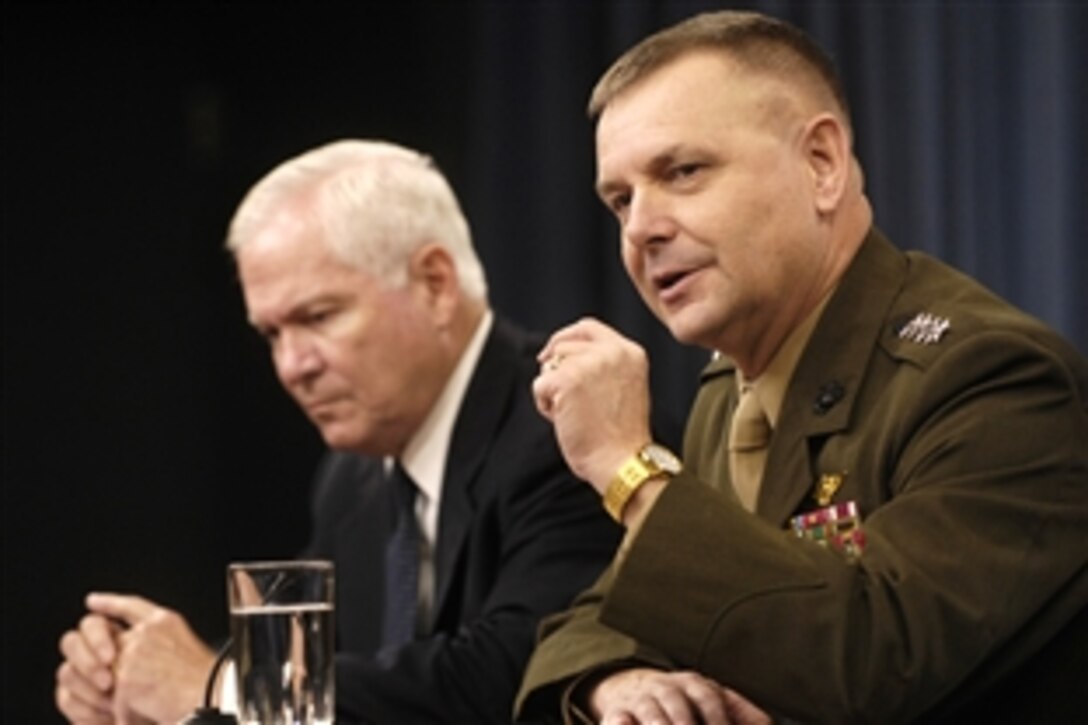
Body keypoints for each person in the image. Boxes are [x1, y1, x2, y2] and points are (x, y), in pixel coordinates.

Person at [516, 10, 1088, 725]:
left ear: (821, 164)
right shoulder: (729, 390)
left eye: (683, 171)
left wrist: (628, 468)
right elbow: (610, 609)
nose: (640, 228)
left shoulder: (990, 377)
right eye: (620, 199)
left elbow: (870, 657)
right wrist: (614, 679)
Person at [54, 139, 624, 724]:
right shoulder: (352, 477)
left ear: (434, 284)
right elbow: (330, 677)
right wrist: (135, 689)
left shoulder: (566, 428)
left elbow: (520, 674)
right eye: (272, 334)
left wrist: (219, 685)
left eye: (318, 317)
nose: (291, 366)